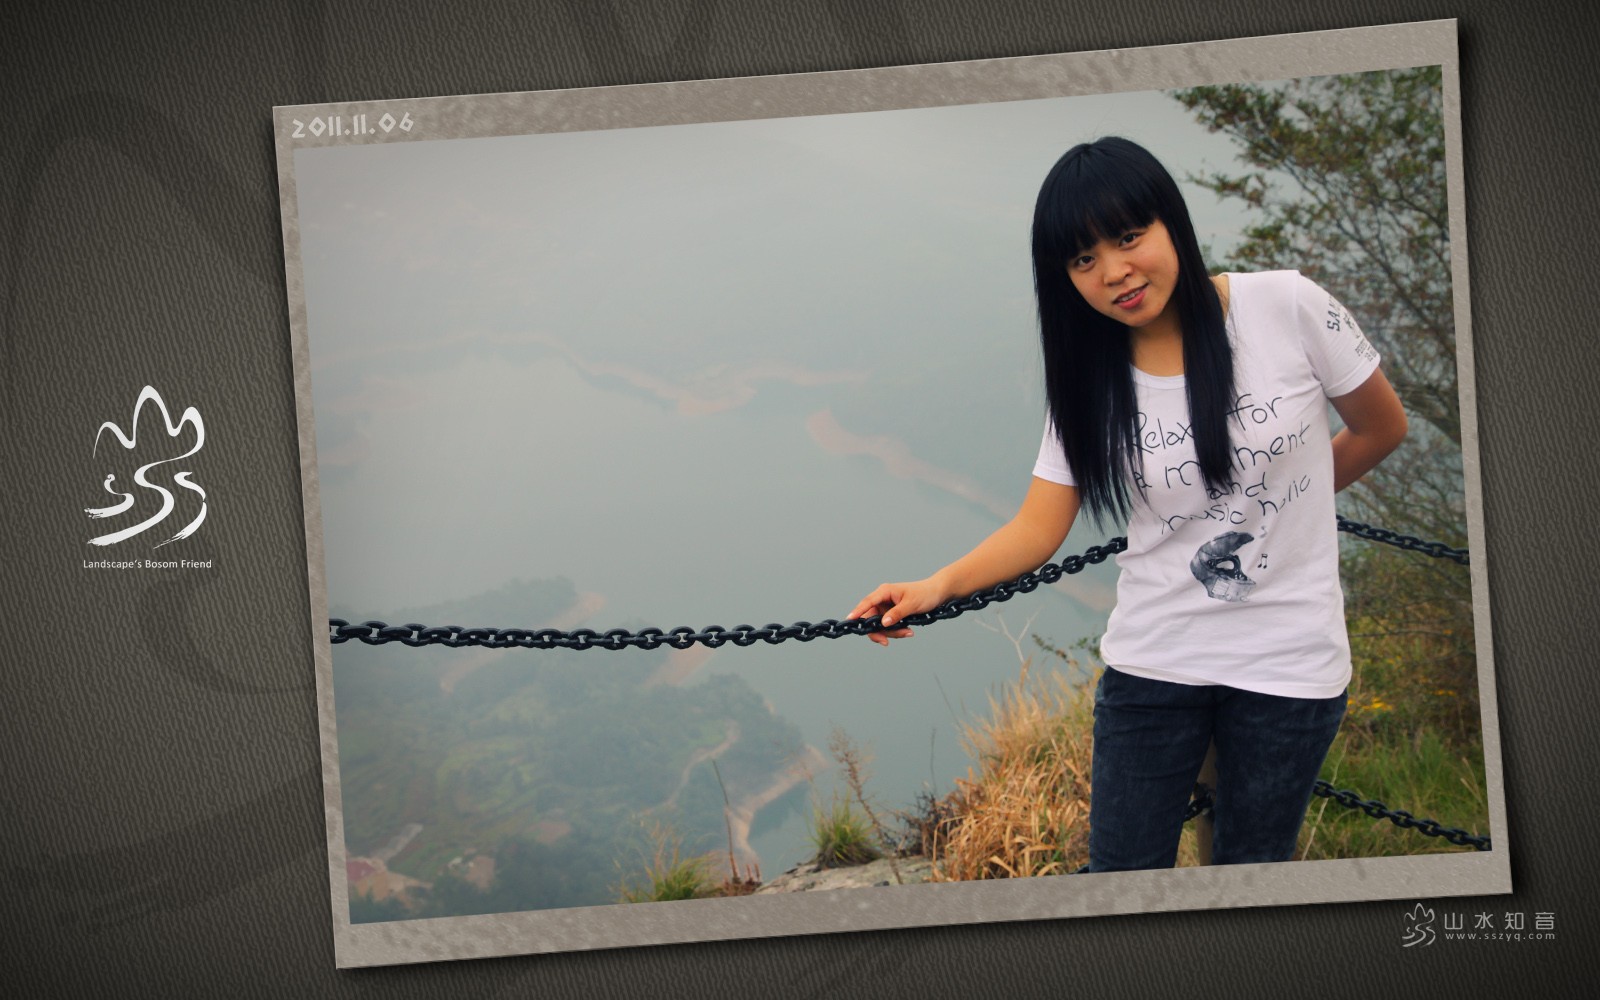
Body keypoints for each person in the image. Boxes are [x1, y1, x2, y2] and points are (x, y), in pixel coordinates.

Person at [845, 136, 1408, 871]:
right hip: (1155, 664)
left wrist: (1273, 511)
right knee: (1120, 876)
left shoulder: (1287, 306)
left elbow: (1380, 427)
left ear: (1171, 222)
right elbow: (1037, 526)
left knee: (1252, 877)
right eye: (1083, 260)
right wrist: (934, 586)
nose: (1114, 272)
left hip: (1291, 664)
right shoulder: (1090, 380)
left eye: (1129, 236)